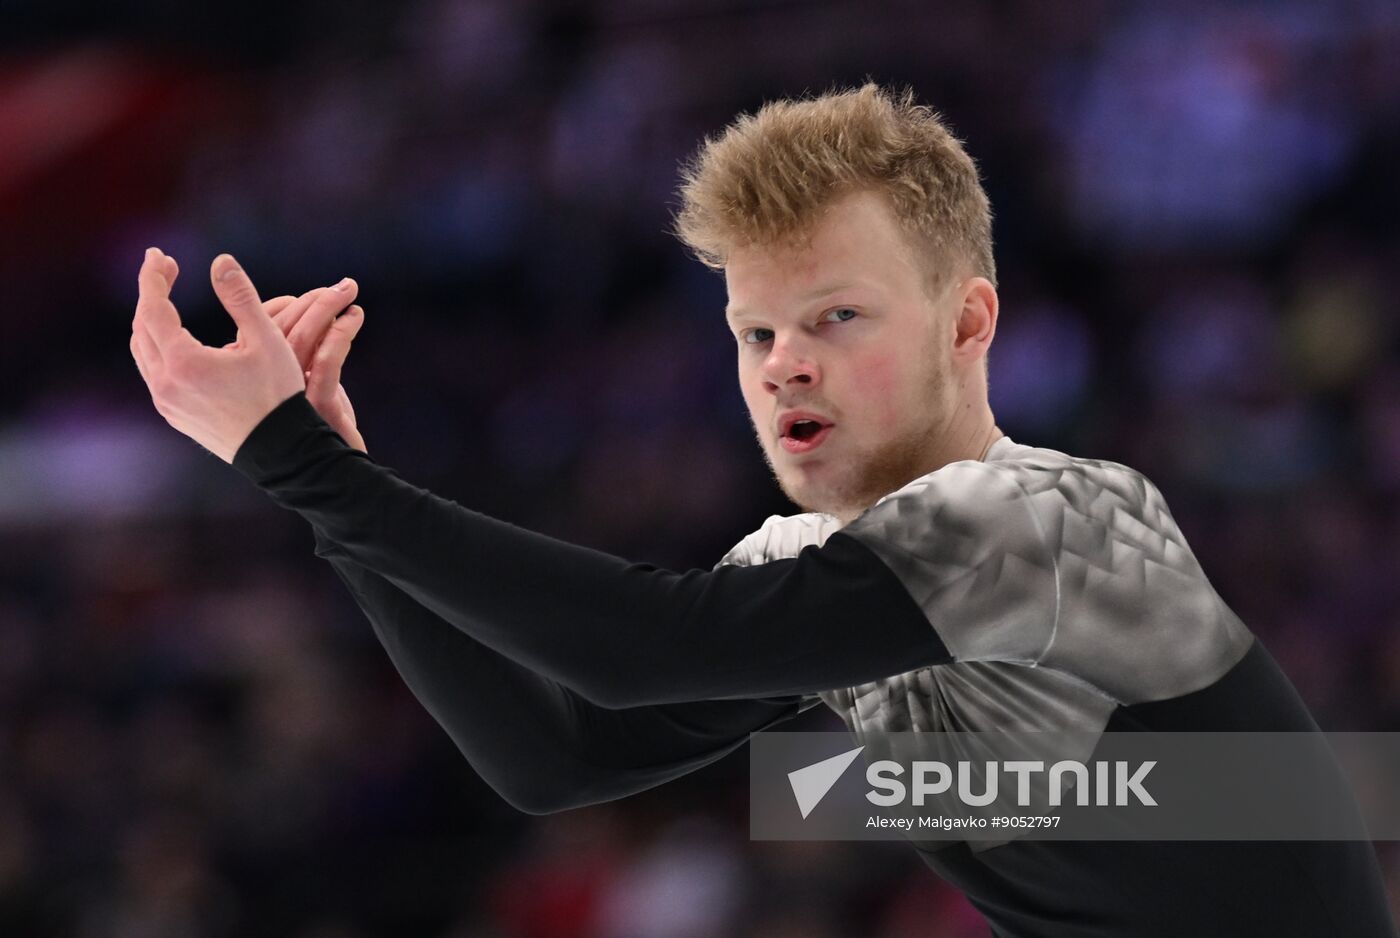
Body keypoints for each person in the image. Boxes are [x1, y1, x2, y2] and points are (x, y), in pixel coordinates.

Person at [129, 84, 1396, 937]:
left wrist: (304, 464)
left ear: (966, 322)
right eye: (754, 330)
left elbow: (639, 652)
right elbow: (551, 756)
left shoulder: (1054, 522)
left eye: (836, 315)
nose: (784, 361)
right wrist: (335, 495)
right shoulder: (814, 568)